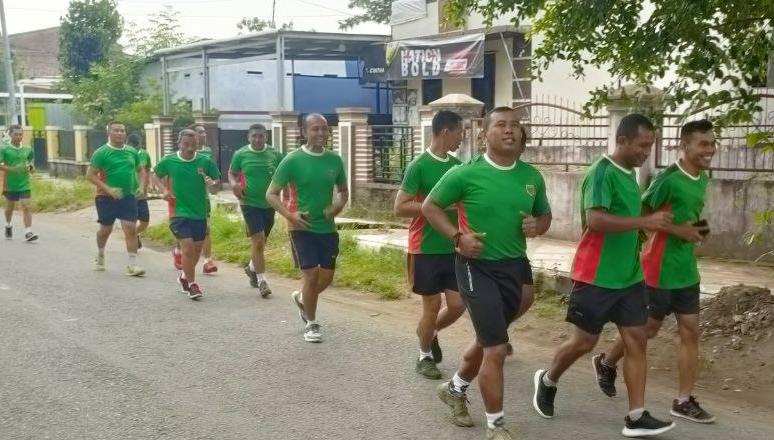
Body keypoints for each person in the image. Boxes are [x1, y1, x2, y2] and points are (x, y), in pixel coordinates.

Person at [532, 114, 676, 438]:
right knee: (584, 341)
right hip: (595, 275)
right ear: (622, 140)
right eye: (642, 146)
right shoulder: (601, 172)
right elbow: (596, 220)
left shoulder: (630, 174)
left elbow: (630, 220)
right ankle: (548, 380)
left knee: (637, 340)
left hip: (630, 277)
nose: (646, 153)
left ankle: (636, 416)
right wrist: (644, 222)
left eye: (651, 147)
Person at [423, 106, 552, 440]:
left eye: (515, 125)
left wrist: (537, 226)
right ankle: (496, 426)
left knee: (491, 335)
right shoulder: (464, 174)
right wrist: (457, 238)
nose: (509, 130)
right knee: (496, 347)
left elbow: (544, 216)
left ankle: (454, 389)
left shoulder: (531, 177)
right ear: (484, 135)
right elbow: (429, 207)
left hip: (515, 265)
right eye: (501, 125)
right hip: (475, 265)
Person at [592, 119, 716, 423]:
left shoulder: (703, 177)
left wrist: (698, 230)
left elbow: (688, 214)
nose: (710, 150)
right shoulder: (668, 179)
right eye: (703, 144)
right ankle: (607, 362)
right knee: (646, 331)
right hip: (658, 269)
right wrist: (679, 231)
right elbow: (643, 213)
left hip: (687, 270)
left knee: (691, 331)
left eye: (713, 144)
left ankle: (683, 400)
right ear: (685, 146)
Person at [393, 110, 466, 380]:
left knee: (458, 305)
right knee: (432, 306)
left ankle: (429, 331)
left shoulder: (458, 166)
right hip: (425, 247)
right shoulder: (419, 166)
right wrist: (436, 206)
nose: (462, 137)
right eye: (460, 132)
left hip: (453, 246)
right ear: (446, 132)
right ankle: (424, 356)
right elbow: (400, 207)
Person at [266, 113, 348, 343]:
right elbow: (271, 194)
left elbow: (343, 192)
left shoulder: (334, 160)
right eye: (315, 129)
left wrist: (336, 208)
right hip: (301, 228)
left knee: (326, 277)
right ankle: (311, 323)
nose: (321, 133)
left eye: (324, 128)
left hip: (327, 228)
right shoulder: (292, 160)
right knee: (311, 275)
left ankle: (303, 298)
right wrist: (290, 215)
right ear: (304, 132)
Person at [153, 129, 221, 300]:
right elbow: (156, 175)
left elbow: (217, 185)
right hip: (178, 212)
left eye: (194, 144)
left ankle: (184, 276)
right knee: (188, 248)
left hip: (199, 212)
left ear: (198, 144)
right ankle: (192, 284)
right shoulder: (169, 160)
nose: (190, 148)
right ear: (179, 144)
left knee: (196, 251)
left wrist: (212, 184)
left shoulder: (205, 161)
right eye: (186, 144)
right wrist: (164, 190)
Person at [228, 123, 283, 297]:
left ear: (266, 137)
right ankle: (262, 281)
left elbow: (284, 174)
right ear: (248, 137)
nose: (257, 139)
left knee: (262, 241)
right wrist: (234, 185)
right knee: (258, 240)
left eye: (261, 136)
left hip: (269, 203)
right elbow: (232, 173)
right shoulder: (241, 154)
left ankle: (252, 268)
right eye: (254, 136)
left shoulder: (275, 154)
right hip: (249, 202)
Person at [86, 121, 146, 276]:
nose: (120, 133)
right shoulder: (101, 153)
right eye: (116, 130)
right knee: (105, 230)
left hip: (128, 196)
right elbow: (90, 175)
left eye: (122, 130)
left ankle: (132, 265)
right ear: (109, 133)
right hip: (105, 198)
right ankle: (100, 254)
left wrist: (141, 186)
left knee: (130, 229)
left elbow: (141, 170)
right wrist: (108, 189)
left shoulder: (132, 152)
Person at [171, 124, 218, 274]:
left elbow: (212, 174)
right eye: (200, 132)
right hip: (181, 200)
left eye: (204, 132)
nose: (203, 135)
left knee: (206, 229)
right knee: (185, 233)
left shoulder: (207, 152)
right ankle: (178, 250)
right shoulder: (177, 157)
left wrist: (212, 183)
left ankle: (207, 260)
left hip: (202, 198)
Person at [0, 125, 38, 242]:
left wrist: (31, 168)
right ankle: (8, 225)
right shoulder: (4, 149)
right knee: (10, 207)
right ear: (10, 135)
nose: (18, 136)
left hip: (24, 183)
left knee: (26, 205)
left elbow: (31, 161)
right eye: (15, 134)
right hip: (10, 184)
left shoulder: (27, 148)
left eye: (20, 134)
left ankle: (28, 232)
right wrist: (12, 169)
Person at [127, 133, 151, 249]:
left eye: (139, 146)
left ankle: (135, 234)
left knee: (145, 220)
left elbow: (147, 169)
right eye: (135, 147)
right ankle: (132, 240)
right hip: (128, 193)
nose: (137, 149)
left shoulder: (144, 154)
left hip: (141, 193)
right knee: (131, 220)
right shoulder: (125, 154)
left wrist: (147, 185)